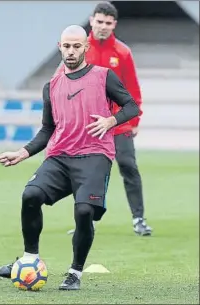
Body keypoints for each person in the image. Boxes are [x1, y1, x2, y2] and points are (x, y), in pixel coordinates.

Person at [0, 25, 139, 290]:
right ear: (59, 47)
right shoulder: (51, 86)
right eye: (66, 46)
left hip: (95, 155)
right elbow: (48, 129)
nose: (71, 51)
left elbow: (132, 106)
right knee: (30, 195)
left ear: (86, 47)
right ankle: (29, 260)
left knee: (84, 211)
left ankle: (75, 273)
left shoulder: (104, 76)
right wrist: (22, 153)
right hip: (60, 156)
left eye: (76, 46)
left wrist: (110, 120)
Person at [63, 2, 152, 236]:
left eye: (108, 23)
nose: (103, 26)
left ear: (114, 24)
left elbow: (133, 88)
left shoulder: (122, 52)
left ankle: (139, 219)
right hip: (89, 125)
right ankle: (86, 221)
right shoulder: (80, 48)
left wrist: (134, 121)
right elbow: (64, 85)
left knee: (128, 167)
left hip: (118, 122)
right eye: (99, 21)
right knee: (89, 173)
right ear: (92, 20)